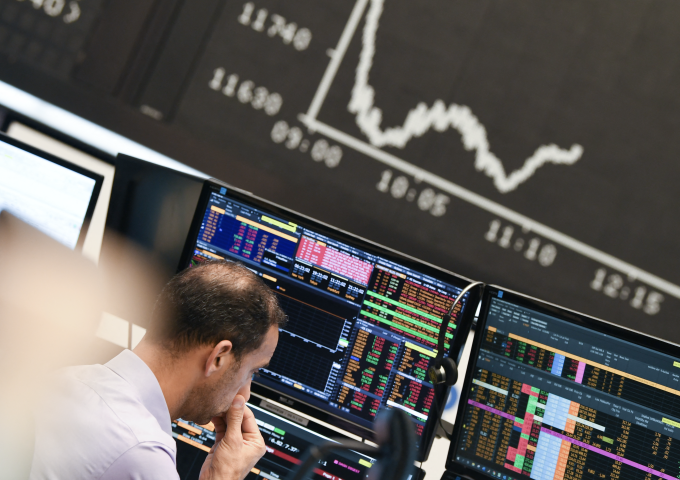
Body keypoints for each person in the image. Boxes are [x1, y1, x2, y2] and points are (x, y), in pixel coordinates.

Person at [30, 260, 287, 480]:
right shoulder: (142, 452)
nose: (247, 393)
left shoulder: (62, 379)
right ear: (219, 357)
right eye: (252, 371)